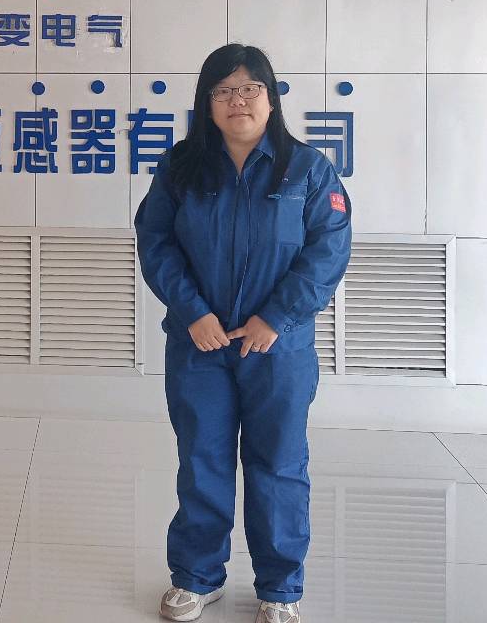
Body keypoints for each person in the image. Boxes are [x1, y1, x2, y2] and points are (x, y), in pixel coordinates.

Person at [135, 44, 351, 623]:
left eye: (251, 88)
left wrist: (275, 318)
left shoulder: (308, 169)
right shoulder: (181, 167)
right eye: (224, 91)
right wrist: (193, 313)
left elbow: (328, 251)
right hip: (200, 344)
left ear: (271, 98)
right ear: (207, 104)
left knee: (277, 463)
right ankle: (196, 576)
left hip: (278, 348)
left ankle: (280, 588)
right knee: (201, 459)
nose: (239, 101)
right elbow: (156, 243)